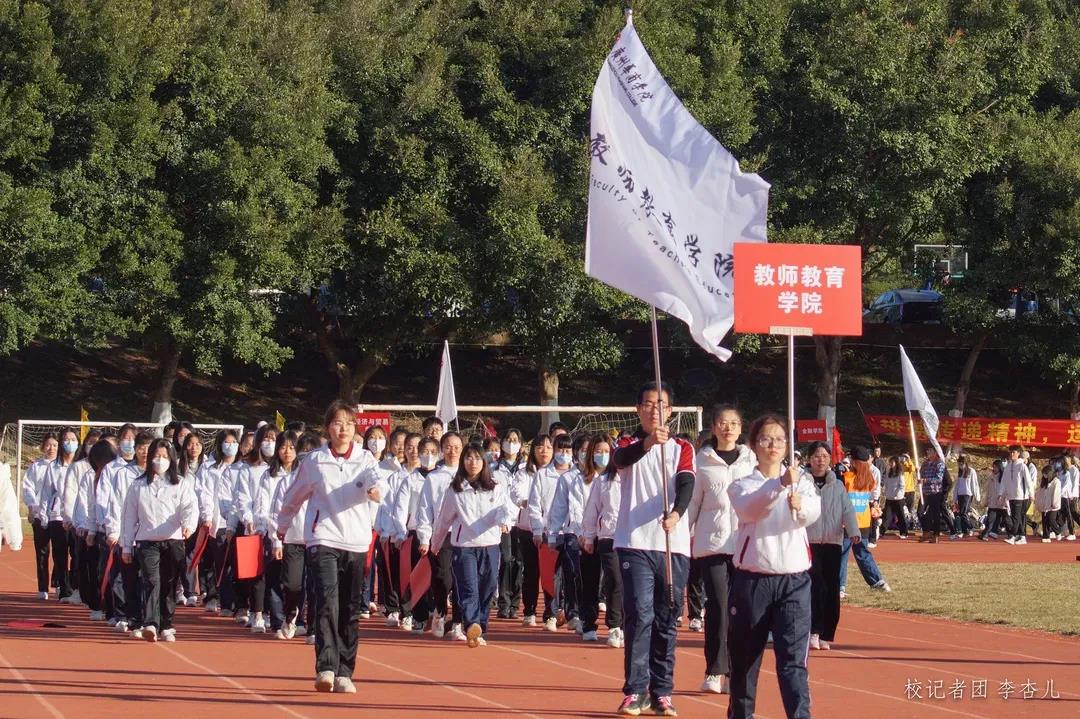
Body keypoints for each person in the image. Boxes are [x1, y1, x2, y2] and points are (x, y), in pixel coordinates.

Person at [275, 400, 388, 694]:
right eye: (338, 423)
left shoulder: (365, 459)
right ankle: (326, 667)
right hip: (323, 537)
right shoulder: (314, 461)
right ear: (328, 428)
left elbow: (377, 479)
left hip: (356, 541)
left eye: (349, 424)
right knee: (327, 601)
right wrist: (282, 526)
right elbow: (294, 495)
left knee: (349, 608)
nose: (343, 429)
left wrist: (376, 490)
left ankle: (345, 672)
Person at [727, 415, 821, 719]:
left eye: (780, 439)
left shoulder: (802, 482)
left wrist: (801, 506)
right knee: (745, 658)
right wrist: (779, 486)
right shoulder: (742, 485)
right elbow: (750, 509)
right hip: (752, 582)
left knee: (793, 661)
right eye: (766, 439)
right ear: (754, 445)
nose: (773, 445)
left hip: (794, 582)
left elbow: (812, 513)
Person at [613, 382, 695, 718]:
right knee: (639, 613)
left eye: (660, 404)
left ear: (670, 411)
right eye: (647, 404)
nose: (654, 410)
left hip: (672, 545)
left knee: (666, 618)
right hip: (634, 543)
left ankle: (662, 692)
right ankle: (635, 690)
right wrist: (648, 443)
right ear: (638, 409)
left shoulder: (682, 447)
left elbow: (687, 483)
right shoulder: (627, 442)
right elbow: (621, 459)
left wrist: (676, 513)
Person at [687, 405, 755, 695]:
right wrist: (683, 535)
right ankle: (714, 670)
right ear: (714, 427)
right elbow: (692, 503)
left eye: (734, 423)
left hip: (744, 544)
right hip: (712, 544)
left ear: (740, 429)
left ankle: (736, 672)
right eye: (723, 423)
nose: (728, 428)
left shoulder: (751, 461)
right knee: (717, 605)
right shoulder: (701, 461)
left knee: (741, 609)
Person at [427, 443, 516, 648]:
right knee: (469, 588)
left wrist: (505, 522)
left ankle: (479, 627)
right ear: (463, 461)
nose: (472, 462)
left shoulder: (495, 486)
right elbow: (444, 520)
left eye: (477, 458)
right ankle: (471, 624)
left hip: (490, 545)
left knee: (488, 588)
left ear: (483, 462)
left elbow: (504, 509)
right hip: (464, 546)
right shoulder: (456, 489)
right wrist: (436, 543)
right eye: (468, 458)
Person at [120, 438, 198, 642]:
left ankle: (166, 624)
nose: (160, 460)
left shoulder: (180, 483)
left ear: (171, 459)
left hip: (173, 540)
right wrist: (126, 546)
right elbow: (129, 517)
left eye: (164, 456)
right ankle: (151, 623)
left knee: (169, 584)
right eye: (156, 456)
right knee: (151, 581)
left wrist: (188, 524)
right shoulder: (138, 485)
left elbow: (189, 507)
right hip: (147, 541)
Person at [804, 441, 858, 652]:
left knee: (831, 588)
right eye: (817, 456)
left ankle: (827, 633)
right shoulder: (802, 483)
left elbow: (847, 510)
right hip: (809, 542)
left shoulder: (837, 485)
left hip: (833, 542)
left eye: (825, 456)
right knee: (814, 586)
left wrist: (853, 531)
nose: (821, 460)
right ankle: (813, 630)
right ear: (809, 459)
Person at [415, 431, 465, 640]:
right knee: (443, 577)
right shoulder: (434, 478)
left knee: (462, 579)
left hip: (465, 535)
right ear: (442, 450)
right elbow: (424, 509)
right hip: (441, 535)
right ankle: (440, 611)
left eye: (456, 446)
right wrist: (424, 537)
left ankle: (458, 623)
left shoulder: (469, 475)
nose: (452, 451)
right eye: (448, 447)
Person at [390, 435, 440, 632]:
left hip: (439, 534)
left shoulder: (443, 478)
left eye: (433, 452)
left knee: (438, 576)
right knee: (416, 577)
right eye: (425, 452)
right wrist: (401, 533)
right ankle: (418, 616)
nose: (429, 455)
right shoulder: (410, 480)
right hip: (415, 534)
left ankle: (436, 612)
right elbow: (400, 509)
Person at [547, 434, 593, 636]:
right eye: (583, 450)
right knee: (574, 574)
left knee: (591, 577)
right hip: (572, 532)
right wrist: (552, 534)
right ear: (576, 453)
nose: (587, 454)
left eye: (590, 450)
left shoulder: (600, 477)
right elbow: (558, 508)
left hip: (595, 533)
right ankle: (574, 613)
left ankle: (588, 613)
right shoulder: (567, 478)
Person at [233, 423, 278, 631]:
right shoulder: (247, 468)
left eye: (273, 439)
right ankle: (256, 612)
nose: (270, 443)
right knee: (255, 572)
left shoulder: (280, 469)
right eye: (266, 439)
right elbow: (242, 497)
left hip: (276, 527)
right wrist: (248, 518)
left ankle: (270, 611)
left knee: (274, 572)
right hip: (254, 526)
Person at [581, 435, 624, 649]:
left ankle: (625, 624)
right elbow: (592, 510)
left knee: (627, 583)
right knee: (613, 580)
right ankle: (613, 626)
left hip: (631, 539)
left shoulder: (634, 479)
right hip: (607, 537)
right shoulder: (604, 481)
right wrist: (589, 536)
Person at [514, 434, 556, 628]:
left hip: (551, 530)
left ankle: (550, 613)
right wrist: (528, 502)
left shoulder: (557, 473)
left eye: (548, 447)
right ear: (533, 450)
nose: (544, 450)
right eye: (540, 446)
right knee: (531, 572)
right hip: (528, 529)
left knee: (550, 573)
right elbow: (516, 492)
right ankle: (529, 611)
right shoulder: (524, 472)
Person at [197, 429, 241, 615]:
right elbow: (204, 493)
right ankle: (219, 598)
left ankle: (237, 602)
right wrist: (207, 516)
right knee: (219, 561)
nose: (230, 446)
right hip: (218, 521)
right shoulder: (209, 468)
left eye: (234, 442)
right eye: (226, 442)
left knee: (235, 563)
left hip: (239, 521)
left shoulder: (242, 468)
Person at [268, 431, 305, 639]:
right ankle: (291, 615)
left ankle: (312, 626)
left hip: (318, 540)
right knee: (292, 584)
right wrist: (277, 540)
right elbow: (277, 512)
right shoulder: (287, 481)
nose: (288, 452)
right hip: (291, 539)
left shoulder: (322, 480)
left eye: (292, 448)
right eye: (284, 447)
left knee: (317, 586)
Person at [37, 428, 79, 602]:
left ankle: (76, 587)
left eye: (73, 439)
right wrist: (44, 515)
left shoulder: (82, 464)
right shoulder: (53, 467)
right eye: (66, 440)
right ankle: (64, 589)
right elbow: (46, 493)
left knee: (77, 553)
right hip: (57, 516)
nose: (69, 443)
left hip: (78, 516)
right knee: (60, 554)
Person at [492, 428, 525, 619]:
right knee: (505, 560)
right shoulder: (494, 468)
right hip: (502, 521)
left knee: (519, 562)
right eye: (508, 439)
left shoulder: (527, 468)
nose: (511, 444)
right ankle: (503, 602)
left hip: (522, 521)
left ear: (521, 444)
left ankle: (515, 603)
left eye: (515, 440)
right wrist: (501, 518)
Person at [22, 433, 59, 599]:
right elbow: (28, 488)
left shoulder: (63, 467)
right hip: (39, 514)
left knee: (60, 552)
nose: (51, 448)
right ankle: (42, 587)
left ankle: (58, 583)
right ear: (43, 447)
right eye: (49, 445)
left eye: (55, 445)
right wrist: (31, 509)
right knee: (42, 551)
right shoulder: (36, 467)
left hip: (58, 516)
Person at [1001, 446, 1030, 545]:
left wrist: (1031, 493)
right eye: (1011, 452)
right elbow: (1004, 481)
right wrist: (1001, 493)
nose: (1012, 454)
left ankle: (1013, 536)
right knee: (1016, 516)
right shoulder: (1008, 467)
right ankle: (1022, 536)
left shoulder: (1022, 466)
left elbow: (1028, 480)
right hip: (1011, 495)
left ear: (1018, 454)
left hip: (1020, 495)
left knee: (1016, 517)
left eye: (1014, 452)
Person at [918, 446, 946, 543]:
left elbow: (939, 479)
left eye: (930, 450)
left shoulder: (939, 463)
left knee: (935, 514)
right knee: (920, 512)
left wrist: (926, 480)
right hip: (925, 492)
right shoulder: (925, 463)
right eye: (927, 450)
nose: (927, 452)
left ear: (935, 452)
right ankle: (926, 532)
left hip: (935, 492)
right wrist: (918, 472)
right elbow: (921, 474)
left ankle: (935, 534)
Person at [951, 454, 981, 539]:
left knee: (963, 512)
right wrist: (955, 498)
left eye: (962, 463)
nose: (960, 465)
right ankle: (965, 531)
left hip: (967, 495)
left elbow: (974, 484)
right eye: (959, 464)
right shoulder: (960, 473)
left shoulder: (971, 471)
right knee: (961, 513)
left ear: (965, 463)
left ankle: (971, 527)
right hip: (960, 495)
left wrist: (977, 495)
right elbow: (957, 486)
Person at [979, 460, 1009, 541]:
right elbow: (988, 490)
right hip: (992, 501)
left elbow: (1005, 490)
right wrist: (986, 500)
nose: (994, 468)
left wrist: (1005, 500)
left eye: (996, 467)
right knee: (990, 519)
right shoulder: (991, 477)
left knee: (1006, 520)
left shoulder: (1004, 477)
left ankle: (1012, 534)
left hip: (1001, 502)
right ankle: (986, 534)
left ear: (1000, 467)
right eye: (993, 467)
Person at [881, 456, 908, 539]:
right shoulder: (888, 473)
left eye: (892, 462)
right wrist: (885, 492)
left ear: (896, 463)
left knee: (901, 516)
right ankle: (881, 532)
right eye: (890, 462)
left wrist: (898, 494)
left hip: (898, 499)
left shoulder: (900, 473)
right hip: (889, 498)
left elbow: (902, 486)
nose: (891, 464)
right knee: (886, 516)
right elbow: (886, 484)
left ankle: (904, 533)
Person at [1035, 465, 1062, 542]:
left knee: (1051, 519)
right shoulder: (1044, 482)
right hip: (1045, 505)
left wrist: (1055, 503)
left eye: (1045, 473)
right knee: (1044, 521)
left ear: (1050, 473)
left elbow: (1056, 493)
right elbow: (1040, 493)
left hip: (1053, 505)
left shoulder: (1056, 482)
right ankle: (1046, 536)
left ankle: (1058, 532)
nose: (1044, 475)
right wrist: (1039, 504)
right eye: (1043, 474)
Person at [1059, 455, 1078, 541]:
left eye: (1066, 460)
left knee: (1072, 513)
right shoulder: (1063, 471)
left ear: (1070, 460)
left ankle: (1072, 532)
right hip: (1064, 495)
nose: (1064, 462)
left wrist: (1072, 494)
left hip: (1071, 496)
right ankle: (1056, 531)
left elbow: (1074, 483)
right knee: (1063, 513)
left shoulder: (1074, 470)